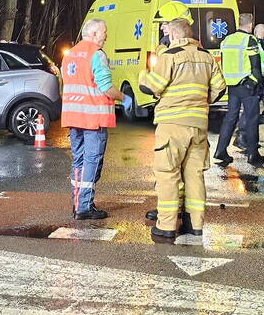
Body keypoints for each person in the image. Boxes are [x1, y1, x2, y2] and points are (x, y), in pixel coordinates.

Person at [139, 17, 227, 243]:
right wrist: (201, 102)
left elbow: (153, 86)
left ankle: (166, 226)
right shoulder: (206, 56)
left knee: (168, 174)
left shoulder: (170, 56)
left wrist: (142, 75)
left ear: (174, 34)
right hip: (198, 125)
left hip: (172, 125)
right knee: (195, 176)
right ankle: (195, 225)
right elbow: (220, 87)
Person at [61, 18, 124, 220]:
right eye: (104, 32)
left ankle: (78, 202)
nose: (106, 35)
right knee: (92, 161)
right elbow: (106, 87)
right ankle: (84, 206)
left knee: (79, 161)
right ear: (95, 33)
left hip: (73, 117)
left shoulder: (69, 55)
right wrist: (124, 98)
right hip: (92, 119)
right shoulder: (96, 54)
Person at [213, 13, 264, 167]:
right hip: (247, 84)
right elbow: (256, 65)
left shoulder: (226, 40)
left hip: (232, 85)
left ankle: (220, 150)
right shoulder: (249, 39)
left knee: (230, 118)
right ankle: (253, 154)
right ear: (251, 24)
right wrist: (257, 83)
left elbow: (224, 63)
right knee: (252, 119)